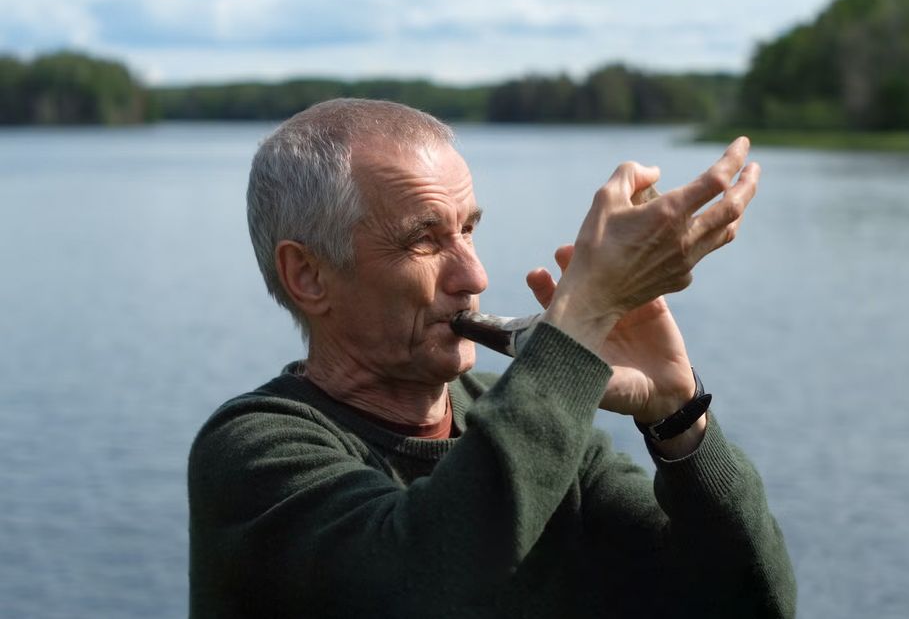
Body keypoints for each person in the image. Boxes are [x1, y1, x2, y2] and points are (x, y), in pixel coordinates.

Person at [188, 99, 796, 618]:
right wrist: (580, 318)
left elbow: (745, 601)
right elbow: (425, 585)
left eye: (469, 229)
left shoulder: (525, 426)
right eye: (424, 239)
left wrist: (678, 416)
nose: (473, 274)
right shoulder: (254, 451)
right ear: (308, 274)